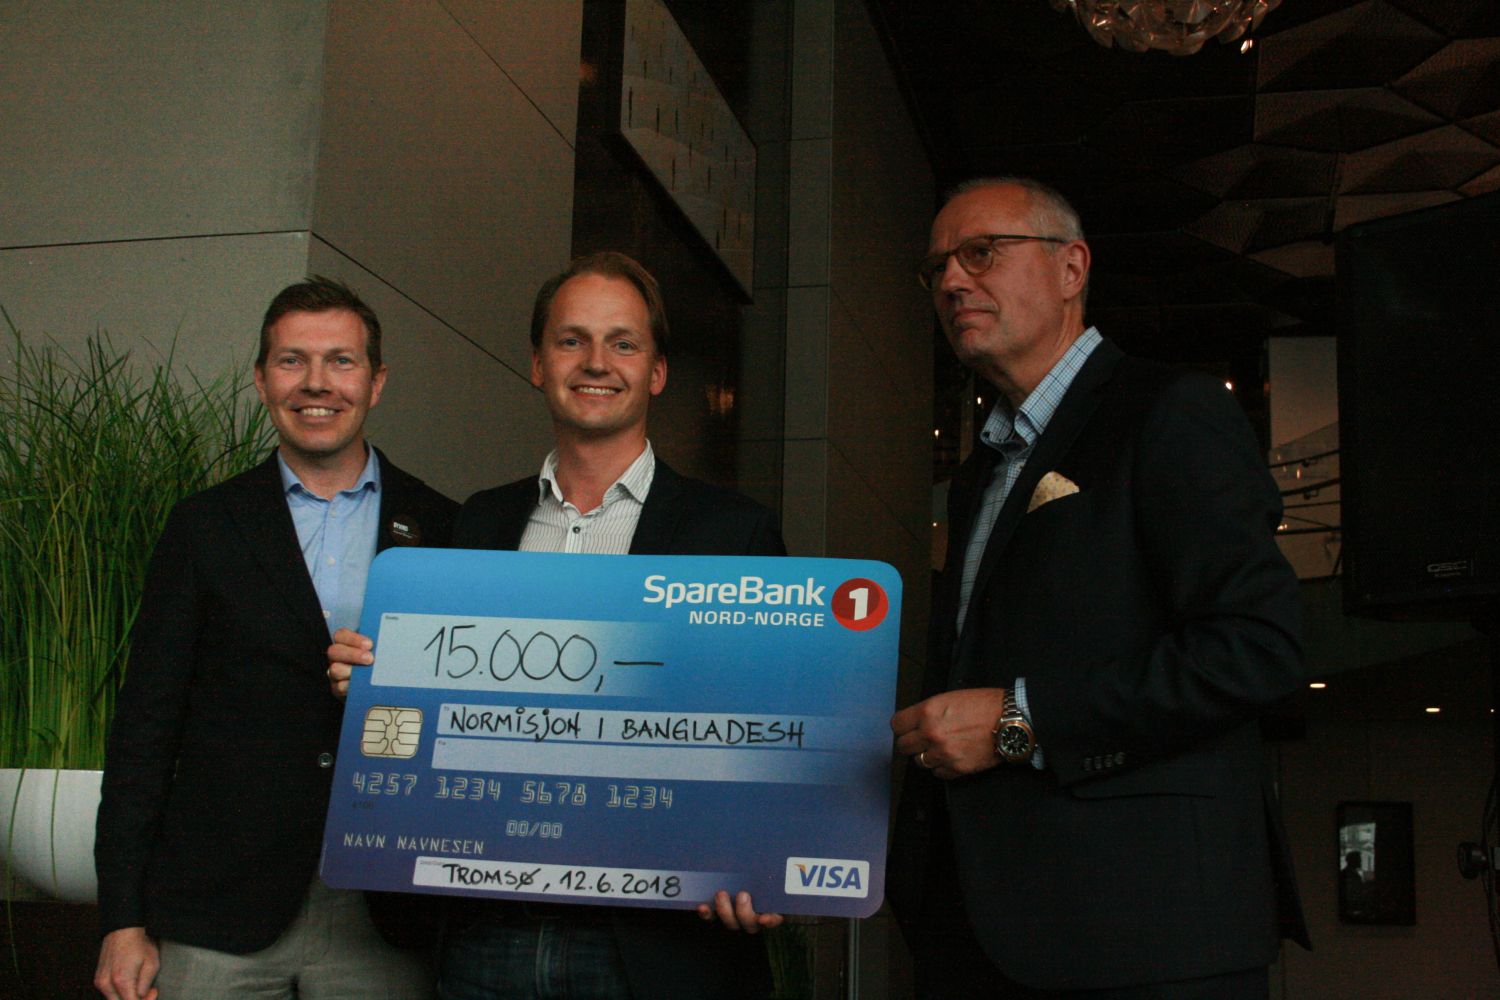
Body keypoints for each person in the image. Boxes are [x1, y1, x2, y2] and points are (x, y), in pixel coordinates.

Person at [888, 178, 1308, 998]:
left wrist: (1017, 723)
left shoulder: (1171, 412)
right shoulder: (979, 474)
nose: (952, 282)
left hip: (1144, 935)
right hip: (981, 931)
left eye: (981, 253)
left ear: (1071, 267)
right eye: (936, 268)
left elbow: (1259, 649)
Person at [328, 251, 784, 1000]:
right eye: (572, 340)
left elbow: (769, 727)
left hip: (654, 947)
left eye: (622, 343)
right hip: (486, 935)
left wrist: (761, 860)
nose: (596, 362)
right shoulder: (479, 523)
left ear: (657, 372)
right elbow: (443, 713)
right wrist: (380, 681)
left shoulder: (734, 535)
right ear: (539, 365)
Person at [94, 278, 457, 1000]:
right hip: (217, 911)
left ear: (377, 381)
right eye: (293, 360)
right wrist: (122, 918)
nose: (317, 383)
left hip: (386, 910)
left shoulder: (447, 527)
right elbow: (144, 730)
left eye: (341, 360)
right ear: (261, 380)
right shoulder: (202, 526)